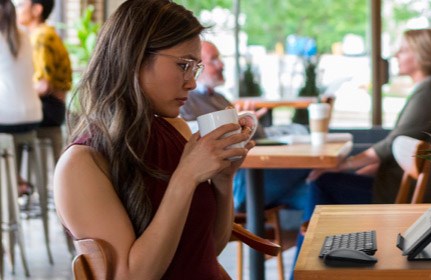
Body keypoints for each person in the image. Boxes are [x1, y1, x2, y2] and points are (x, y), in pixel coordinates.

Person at [54, 1, 255, 278]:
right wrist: (185, 178)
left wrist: (223, 179)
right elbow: (132, 276)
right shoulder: (81, 163)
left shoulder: (179, 131)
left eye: (195, 67)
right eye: (183, 65)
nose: (192, 82)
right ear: (133, 57)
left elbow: (209, 248)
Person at [292, 29, 431, 272]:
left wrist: (343, 165)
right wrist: (360, 170)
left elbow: (392, 144)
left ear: (421, 55)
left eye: (404, 49)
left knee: (322, 183)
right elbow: (398, 146)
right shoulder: (429, 90)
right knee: (324, 183)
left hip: (398, 193)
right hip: (395, 184)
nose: (396, 54)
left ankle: (309, 269)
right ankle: (323, 264)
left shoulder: (430, 92)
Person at [180, 41, 310, 212]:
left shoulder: (219, 98)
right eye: (214, 60)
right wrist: (240, 125)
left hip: (245, 177)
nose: (221, 64)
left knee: (314, 191)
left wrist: (249, 123)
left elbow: (256, 137)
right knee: (308, 169)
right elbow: (196, 140)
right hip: (236, 183)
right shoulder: (185, 102)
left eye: (220, 58)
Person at [16, 0, 72, 160]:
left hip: (49, 107)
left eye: (21, 5)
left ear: (37, 9)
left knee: (9, 123)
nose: (17, 10)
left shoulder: (40, 37)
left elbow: (43, 85)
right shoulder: (47, 33)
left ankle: (17, 181)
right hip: (55, 107)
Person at [0, 0, 42, 195]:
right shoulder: (25, 36)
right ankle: (14, 180)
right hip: (33, 115)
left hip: (6, 118)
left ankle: (8, 184)